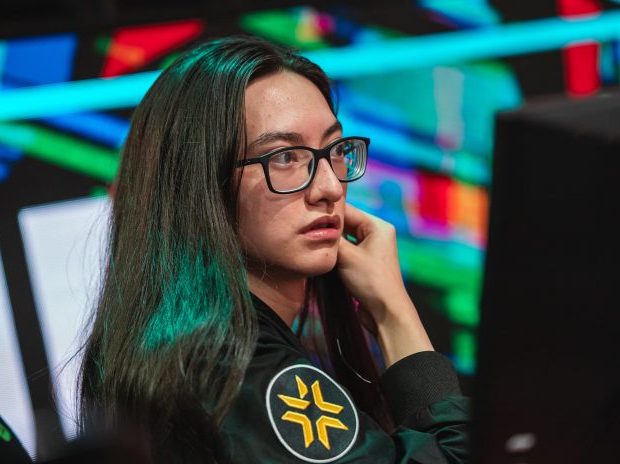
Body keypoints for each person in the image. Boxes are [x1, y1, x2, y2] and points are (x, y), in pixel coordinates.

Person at [79, 35, 468, 463]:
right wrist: (394, 314)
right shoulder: (236, 367)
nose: (330, 187)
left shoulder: (186, 349)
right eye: (284, 157)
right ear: (200, 185)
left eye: (335, 150)